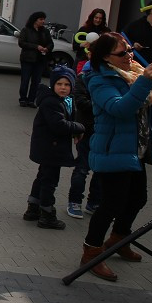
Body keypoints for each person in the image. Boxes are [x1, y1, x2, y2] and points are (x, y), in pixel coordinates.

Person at [78, 33, 152, 282]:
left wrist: (150, 79)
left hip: (135, 150)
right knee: (111, 205)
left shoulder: (133, 71)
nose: (129, 56)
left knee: (138, 198)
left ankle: (118, 239)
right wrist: (145, 82)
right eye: (122, 53)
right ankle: (91, 252)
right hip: (113, 151)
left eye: (129, 50)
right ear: (106, 57)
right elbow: (119, 108)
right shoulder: (99, 79)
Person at [22, 66, 84, 231]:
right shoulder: (51, 102)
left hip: (48, 148)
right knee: (50, 182)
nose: (63, 87)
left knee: (42, 177)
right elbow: (58, 125)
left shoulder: (61, 101)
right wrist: (79, 127)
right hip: (50, 149)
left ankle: (33, 208)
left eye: (67, 84)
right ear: (53, 85)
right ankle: (47, 214)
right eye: (59, 84)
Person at [69, 62, 101, 219]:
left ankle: (93, 202)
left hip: (103, 132)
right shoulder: (85, 77)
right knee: (82, 167)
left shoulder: (115, 78)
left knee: (100, 170)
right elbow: (81, 103)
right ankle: (74, 201)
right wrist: (103, 103)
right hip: (86, 131)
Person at [18, 11, 53, 107]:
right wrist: (36, 46)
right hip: (27, 59)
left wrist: (47, 48)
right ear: (35, 20)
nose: (43, 21)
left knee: (36, 81)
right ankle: (23, 98)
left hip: (40, 59)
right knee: (25, 80)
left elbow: (50, 43)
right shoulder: (26, 30)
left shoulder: (45, 31)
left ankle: (31, 99)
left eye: (43, 19)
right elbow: (22, 43)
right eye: (41, 19)